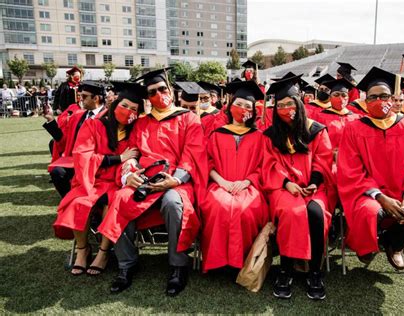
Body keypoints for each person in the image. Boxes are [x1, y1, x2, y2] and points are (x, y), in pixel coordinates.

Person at [98, 68, 208, 296]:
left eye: (162, 89)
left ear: (170, 90)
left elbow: (192, 154)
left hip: (176, 180)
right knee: (120, 198)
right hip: (146, 179)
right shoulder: (141, 123)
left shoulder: (188, 119)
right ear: (147, 98)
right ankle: (126, 265)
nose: (159, 94)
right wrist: (129, 174)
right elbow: (133, 153)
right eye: (152, 92)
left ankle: (178, 266)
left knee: (173, 203)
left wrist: (175, 180)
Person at [337, 67, 404, 271]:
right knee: (370, 212)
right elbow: (351, 171)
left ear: (393, 97)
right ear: (365, 101)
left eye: (384, 96)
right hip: (367, 194)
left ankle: (393, 244)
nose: (379, 101)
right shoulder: (354, 129)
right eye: (373, 97)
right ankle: (366, 248)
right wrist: (380, 197)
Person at [53, 82, 145, 276]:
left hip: (117, 183)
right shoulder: (94, 125)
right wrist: (118, 158)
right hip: (92, 181)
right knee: (79, 202)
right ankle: (82, 250)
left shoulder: (135, 132)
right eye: (124, 105)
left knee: (112, 203)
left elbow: (135, 158)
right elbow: (83, 156)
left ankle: (103, 252)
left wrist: (127, 167)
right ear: (115, 104)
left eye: (133, 109)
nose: (127, 111)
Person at [262, 75, 335, 300]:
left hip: (315, 187)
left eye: (290, 103)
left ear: (299, 103)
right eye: (281, 105)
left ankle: (315, 271)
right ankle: (285, 269)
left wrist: (314, 182)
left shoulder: (316, 130)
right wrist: (287, 183)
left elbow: (324, 160)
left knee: (315, 213)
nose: (285, 109)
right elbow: (270, 164)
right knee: (291, 213)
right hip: (283, 188)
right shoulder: (272, 134)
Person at [200, 80, 269, 272]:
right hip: (219, 184)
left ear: (254, 112)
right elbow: (208, 162)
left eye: (248, 106)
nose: (242, 109)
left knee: (245, 209)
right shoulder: (216, 134)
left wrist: (246, 181)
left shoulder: (259, 136)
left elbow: (263, 166)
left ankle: (242, 262)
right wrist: (223, 182)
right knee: (217, 206)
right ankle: (217, 261)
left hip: (249, 186)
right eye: (238, 104)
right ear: (230, 107)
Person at [45, 81, 107, 197]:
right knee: (57, 172)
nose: (80, 99)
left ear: (96, 98)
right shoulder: (77, 116)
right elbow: (63, 141)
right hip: (76, 161)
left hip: (98, 163)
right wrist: (51, 121)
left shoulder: (108, 117)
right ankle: (70, 200)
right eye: (80, 96)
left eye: (84, 96)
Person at [314, 78, 361, 155]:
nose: (340, 98)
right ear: (330, 97)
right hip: (328, 159)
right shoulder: (320, 117)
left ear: (348, 98)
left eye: (344, 95)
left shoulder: (356, 118)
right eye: (336, 95)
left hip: (351, 159)